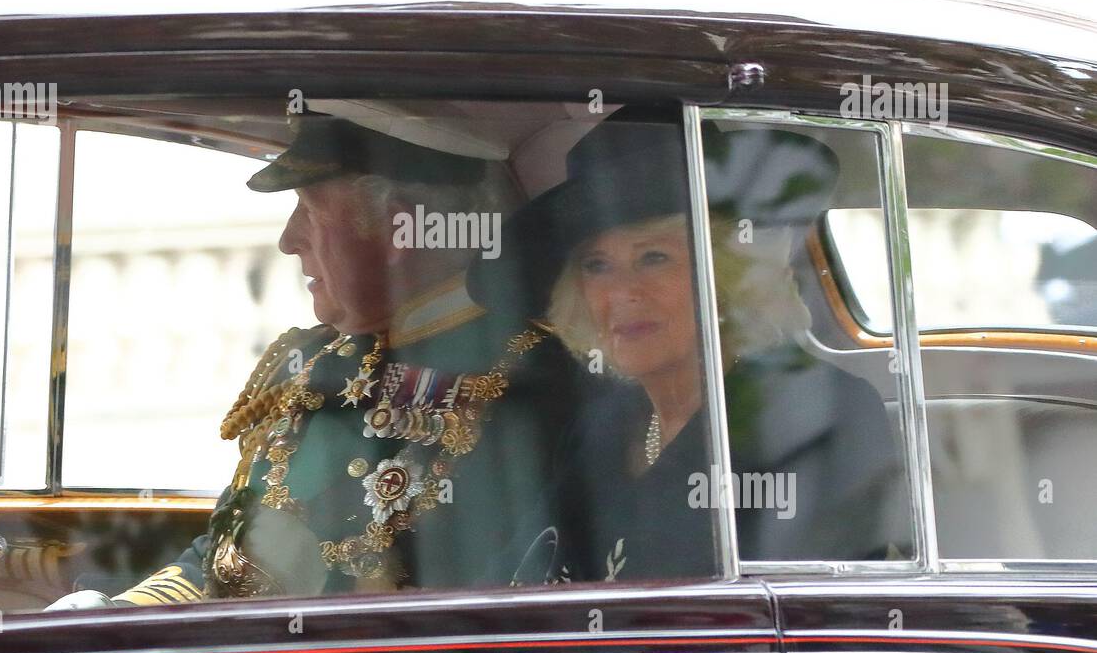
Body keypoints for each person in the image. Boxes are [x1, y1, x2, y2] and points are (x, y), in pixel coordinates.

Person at [51, 111, 578, 608]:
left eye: (309, 209)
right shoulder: (311, 362)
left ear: (399, 229)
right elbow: (227, 559)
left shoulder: (547, 384)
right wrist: (120, 617)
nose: (288, 240)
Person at [468, 106, 912, 585]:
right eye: (596, 265)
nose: (621, 293)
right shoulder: (603, 425)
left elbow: (797, 626)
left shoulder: (822, 412)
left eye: (653, 257)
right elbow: (517, 580)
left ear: (726, 278)